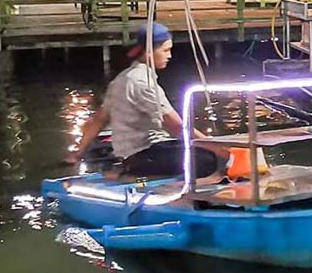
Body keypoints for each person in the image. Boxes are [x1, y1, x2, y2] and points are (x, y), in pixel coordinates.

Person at [65, 22, 224, 178]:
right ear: (149, 52)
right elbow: (175, 126)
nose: (170, 56)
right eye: (165, 50)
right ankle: (163, 184)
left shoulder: (122, 78)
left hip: (135, 152)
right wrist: (217, 147)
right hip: (143, 155)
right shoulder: (143, 83)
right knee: (207, 159)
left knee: (200, 148)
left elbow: (100, 119)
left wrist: (77, 153)